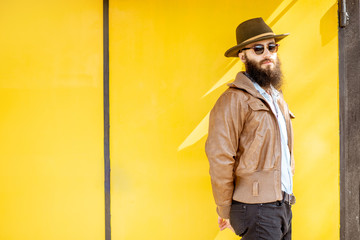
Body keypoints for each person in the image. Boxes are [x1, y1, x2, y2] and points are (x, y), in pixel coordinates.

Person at [205, 17, 296, 240]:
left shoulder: (276, 98)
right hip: (257, 209)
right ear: (243, 55)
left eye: (271, 46)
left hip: (282, 206)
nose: (267, 53)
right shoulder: (233, 100)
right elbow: (220, 157)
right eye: (258, 48)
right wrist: (225, 209)